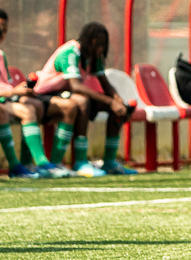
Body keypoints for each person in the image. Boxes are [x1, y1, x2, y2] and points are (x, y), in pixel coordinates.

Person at [33, 22, 138, 177]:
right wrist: (110, 101)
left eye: (103, 44)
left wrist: (117, 101)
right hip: (46, 95)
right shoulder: (70, 52)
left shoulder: (93, 56)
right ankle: (79, 162)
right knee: (82, 102)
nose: (101, 48)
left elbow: (105, 84)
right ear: (89, 41)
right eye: (98, 44)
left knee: (114, 109)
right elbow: (75, 86)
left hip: (66, 95)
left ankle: (109, 162)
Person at [0, 9, 75, 179]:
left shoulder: (1, 55)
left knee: (35, 105)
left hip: (6, 99)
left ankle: (28, 163)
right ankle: (32, 164)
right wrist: (14, 91)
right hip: (2, 102)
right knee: (25, 110)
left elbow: (5, 85)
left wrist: (21, 89)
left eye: (4, 31)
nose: (2, 35)